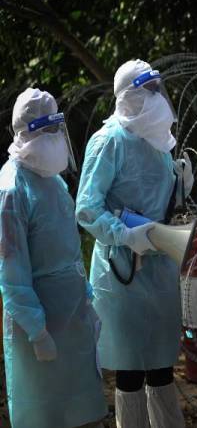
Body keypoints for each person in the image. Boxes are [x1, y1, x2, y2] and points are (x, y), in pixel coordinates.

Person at [76, 59, 193, 428]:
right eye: (147, 91)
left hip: (158, 264)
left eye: (158, 90)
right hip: (121, 271)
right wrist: (123, 234)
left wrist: (181, 184)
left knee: (160, 366)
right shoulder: (109, 140)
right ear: (128, 96)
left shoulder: (158, 139)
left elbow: (163, 199)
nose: (156, 98)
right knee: (130, 371)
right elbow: (88, 207)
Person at [0, 88, 107, 427]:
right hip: (39, 325)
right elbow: (12, 272)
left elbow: (69, 250)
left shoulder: (53, 181)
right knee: (45, 415)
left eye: (55, 128)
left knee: (81, 412)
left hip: (72, 317)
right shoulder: (12, 189)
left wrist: (87, 301)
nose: (53, 138)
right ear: (26, 131)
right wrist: (36, 331)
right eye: (44, 129)